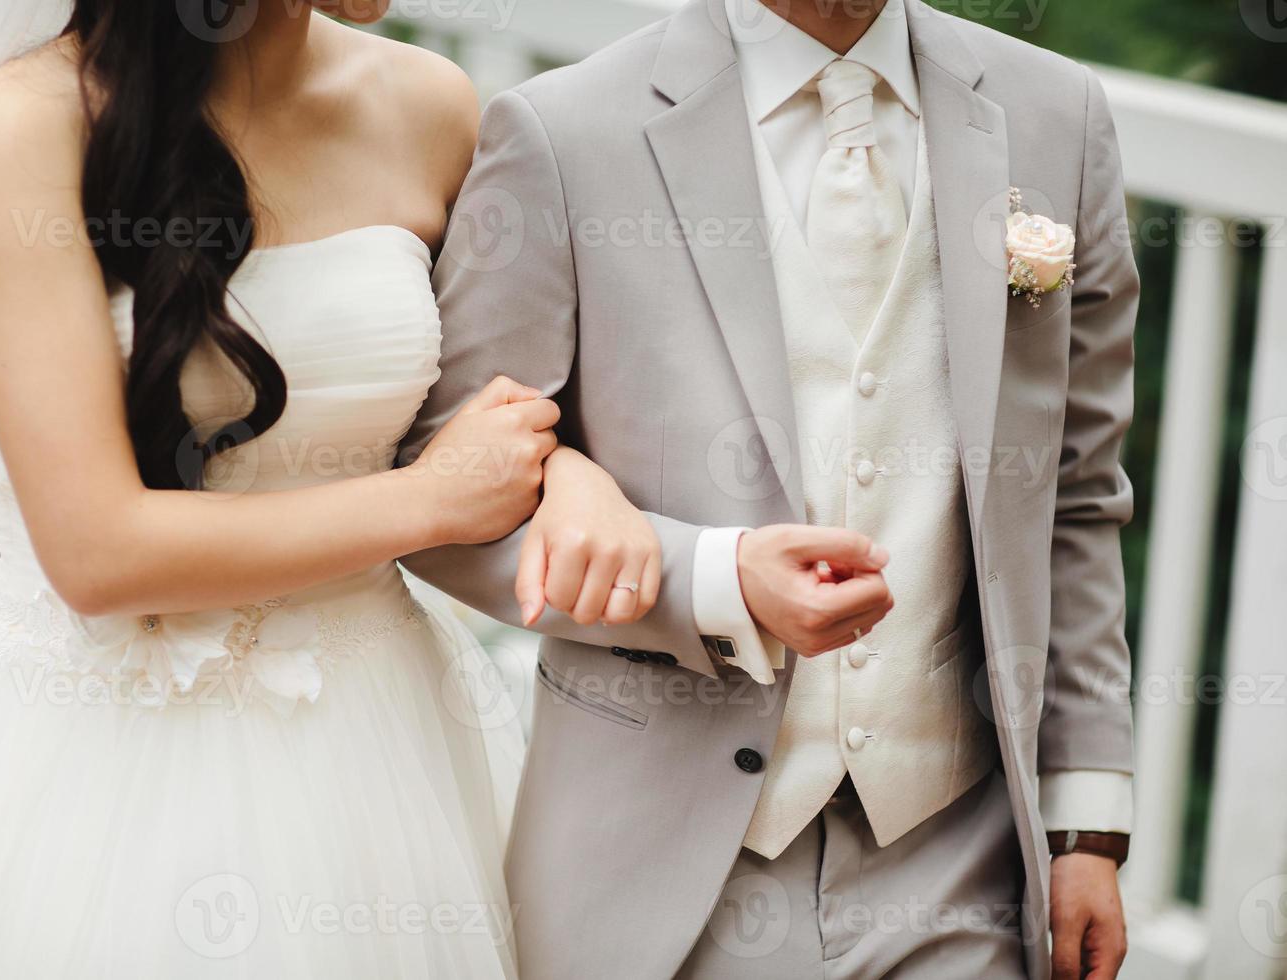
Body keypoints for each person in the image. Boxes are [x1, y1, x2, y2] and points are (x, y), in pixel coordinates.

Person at [0, 1, 662, 976]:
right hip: (83, 764)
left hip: (380, 751)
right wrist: (426, 502)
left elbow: (484, 408)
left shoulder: (432, 103)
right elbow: (98, 552)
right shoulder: (23, 125)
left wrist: (574, 473)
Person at [399, 0, 1138, 977]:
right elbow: (441, 500)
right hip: (666, 868)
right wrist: (710, 581)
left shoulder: (1058, 117)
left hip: (963, 855)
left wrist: (1085, 822)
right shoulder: (566, 131)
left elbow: (1077, 495)